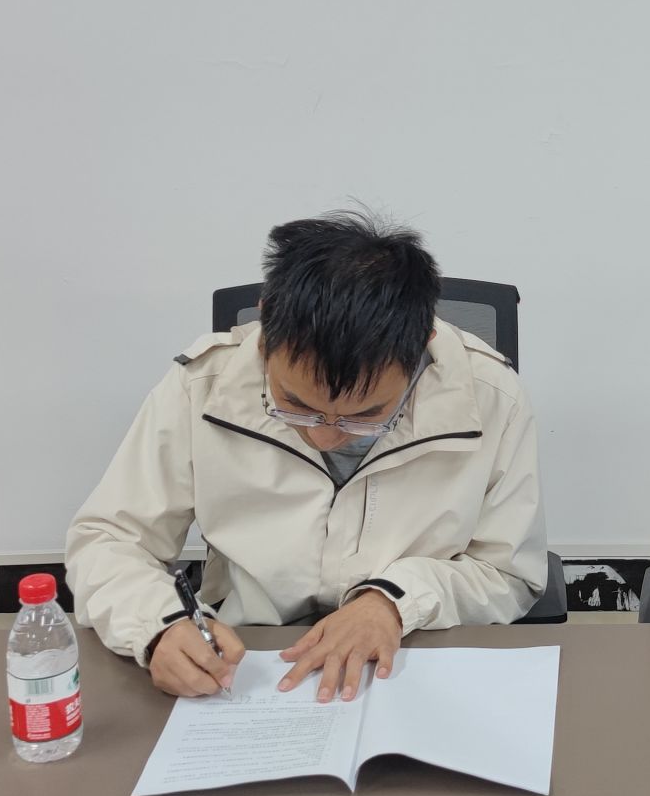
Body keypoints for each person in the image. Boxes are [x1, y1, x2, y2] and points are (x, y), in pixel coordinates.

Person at [67, 211, 546, 702]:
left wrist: (394, 601)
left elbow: (508, 575)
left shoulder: (492, 398)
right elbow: (110, 539)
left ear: (423, 342)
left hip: (413, 655)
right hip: (249, 660)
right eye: (295, 405)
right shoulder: (202, 386)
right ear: (265, 327)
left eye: (366, 415)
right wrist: (159, 624)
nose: (326, 436)